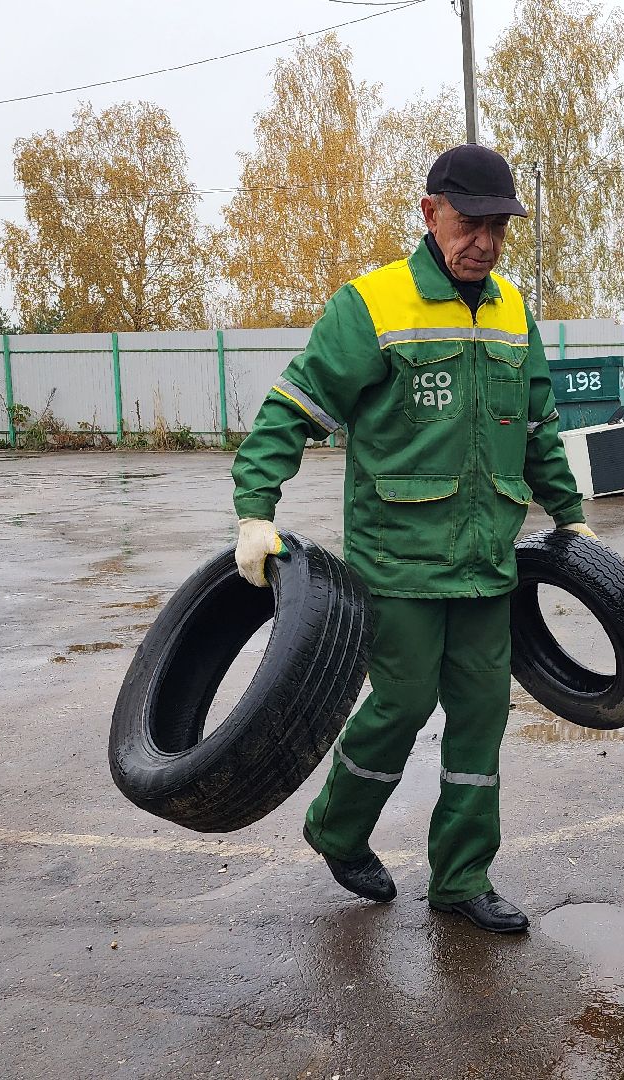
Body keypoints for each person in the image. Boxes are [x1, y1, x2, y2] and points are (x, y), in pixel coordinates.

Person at [230, 144, 592, 934]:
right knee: (399, 705)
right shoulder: (373, 306)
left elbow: (537, 428)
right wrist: (256, 511)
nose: (487, 243)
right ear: (430, 214)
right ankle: (338, 828)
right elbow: (294, 407)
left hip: (489, 564)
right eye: (472, 224)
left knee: (480, 723)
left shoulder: (510, 310)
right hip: (398, 561)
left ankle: (462, 878)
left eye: (499, 227)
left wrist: (572, 521)